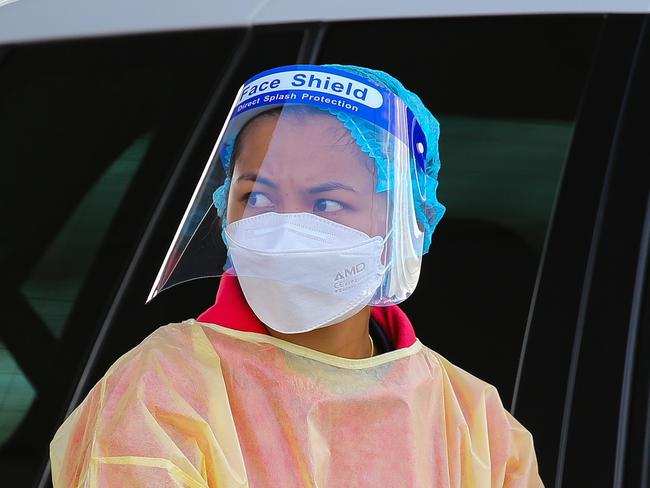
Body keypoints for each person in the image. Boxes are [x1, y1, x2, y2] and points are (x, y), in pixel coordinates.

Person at [50, 64, 544, 487]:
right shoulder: (165, 387)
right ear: (225, 209)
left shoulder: (474, 421)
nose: (285, 230)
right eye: (258, 198)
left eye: (326, 203)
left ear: (404, 225)